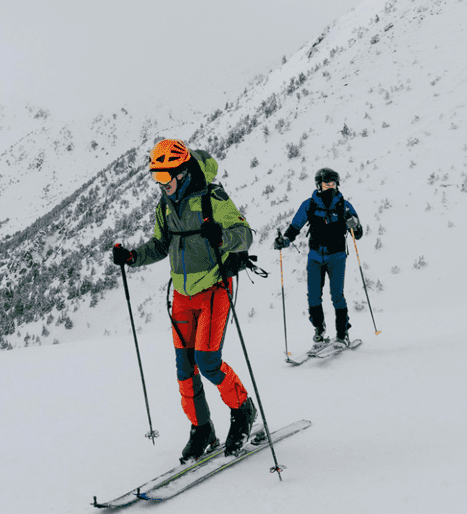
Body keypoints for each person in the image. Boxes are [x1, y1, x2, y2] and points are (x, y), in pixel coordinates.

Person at [112, 139, 256, 462]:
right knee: (184, 368)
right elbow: (161, 245)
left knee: (207, 361)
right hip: (181, 296)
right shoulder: (165, 206)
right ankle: (202, 428)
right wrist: (132, 256)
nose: (161, 185)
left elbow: (244, 233)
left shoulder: (211, 198)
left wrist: (222, 236)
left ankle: (242, 408)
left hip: (215, 289)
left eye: (165, 178)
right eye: (156, 178)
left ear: (181, 172)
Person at [274, 167, 364, 348]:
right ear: (319, 185)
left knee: (337, 296)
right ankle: (319, 330)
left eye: (333, 183)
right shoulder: (309, 204)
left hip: (337, 256)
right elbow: (295, 227)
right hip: (315, 257)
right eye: (326, 183)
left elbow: (358, 233)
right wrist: (284, 240)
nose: (330, 187)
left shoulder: (344, 206)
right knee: (313, 296)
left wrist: (355, 224)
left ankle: (342, 333)